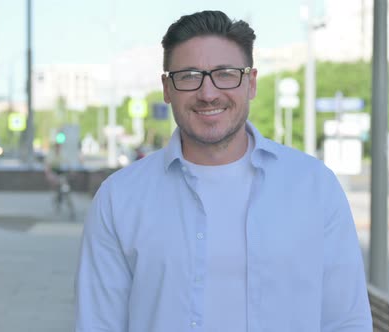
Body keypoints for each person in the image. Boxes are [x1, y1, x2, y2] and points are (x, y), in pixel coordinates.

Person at [75, 10, 372, 332]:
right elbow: (98, 323)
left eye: (226, 73)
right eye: (189, 76)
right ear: (167, 88)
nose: (208, 93)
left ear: (251, 82)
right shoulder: (120, 198)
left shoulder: (314, 186)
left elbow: (346, 320)